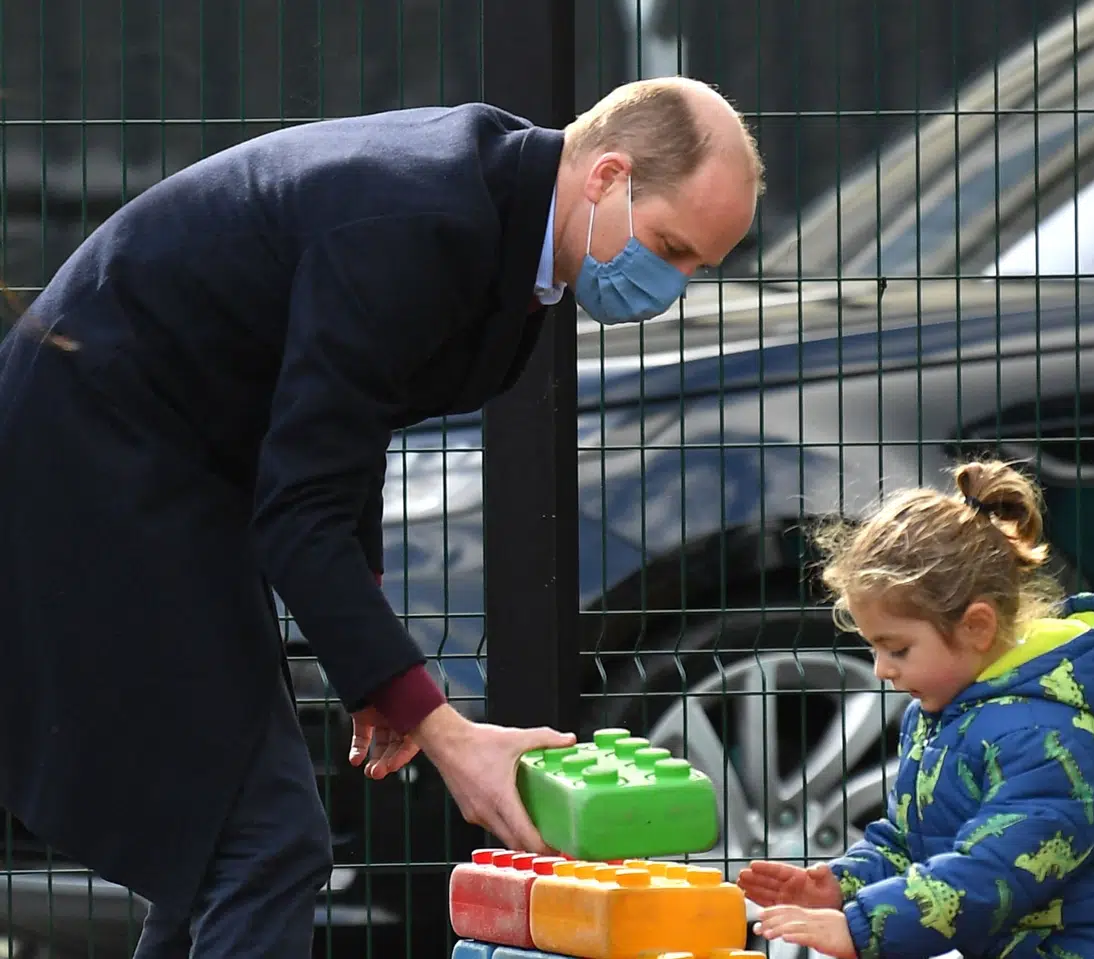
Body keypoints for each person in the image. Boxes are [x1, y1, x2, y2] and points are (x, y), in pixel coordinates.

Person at [0, 76, 763, 958]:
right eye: (669, 246)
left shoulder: (496, 221)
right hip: (96, 463)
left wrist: (378, 675)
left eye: (699, 265)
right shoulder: (423, 225)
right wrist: (446, 732)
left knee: (233, 832)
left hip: (168, 463)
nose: (670, 284)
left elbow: (344, 436)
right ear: (607, 177)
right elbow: (300, 509)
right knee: (264, 840)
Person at [737, 460, 1094, 959]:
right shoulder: (940, 717)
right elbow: (909, 843)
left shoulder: (1050, 736)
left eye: (897, 649)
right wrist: (841, 884)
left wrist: (863, 926)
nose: (880, 669)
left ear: (976, 627)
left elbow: (994, 871)